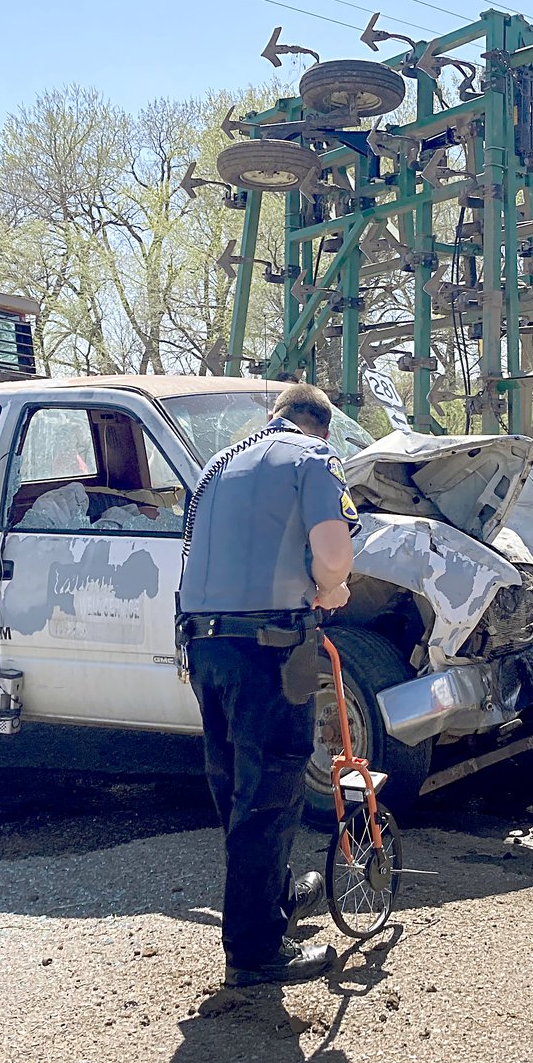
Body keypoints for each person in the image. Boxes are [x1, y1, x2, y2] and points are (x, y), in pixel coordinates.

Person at [175, 383, 359, 986]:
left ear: (273, 417)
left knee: (235, 786)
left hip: (205, 647)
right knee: (271, 789)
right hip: (269, 650)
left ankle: (270, 904)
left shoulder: (214, 467)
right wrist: (330, 591)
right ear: (320, 428)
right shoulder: (313, 460)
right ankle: (254, 953)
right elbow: (333, 558)